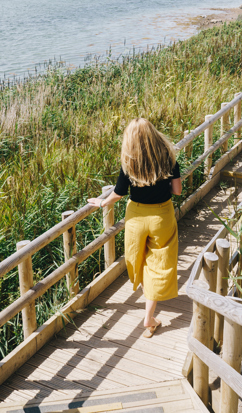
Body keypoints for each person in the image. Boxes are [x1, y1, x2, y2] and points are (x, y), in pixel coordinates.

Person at [88, 118, 182, 338]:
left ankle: (147, 295)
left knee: (135, 257)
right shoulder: (168, 158)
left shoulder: (129, 163)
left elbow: (119, 193)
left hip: (136, 217)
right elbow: (177, 191)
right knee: (158, 262)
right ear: (154, 134)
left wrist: (102, 202)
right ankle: (149, 317)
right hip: (162, 215)